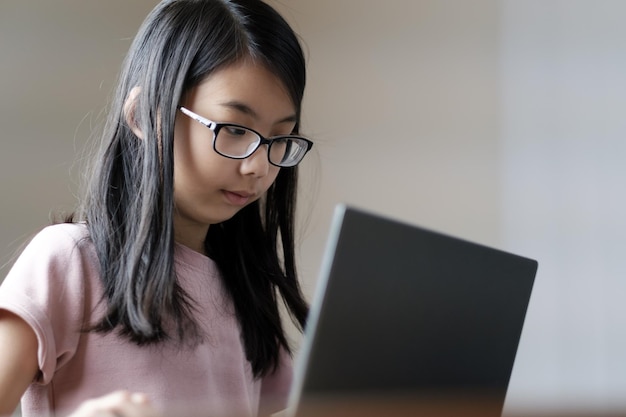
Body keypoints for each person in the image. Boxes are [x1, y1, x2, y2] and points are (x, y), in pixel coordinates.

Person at [0, 0, 313, 416]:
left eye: (279, 138)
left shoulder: (246, 289)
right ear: (144, 115)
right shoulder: (69, 261)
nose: (258, 166)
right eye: (235, 130)